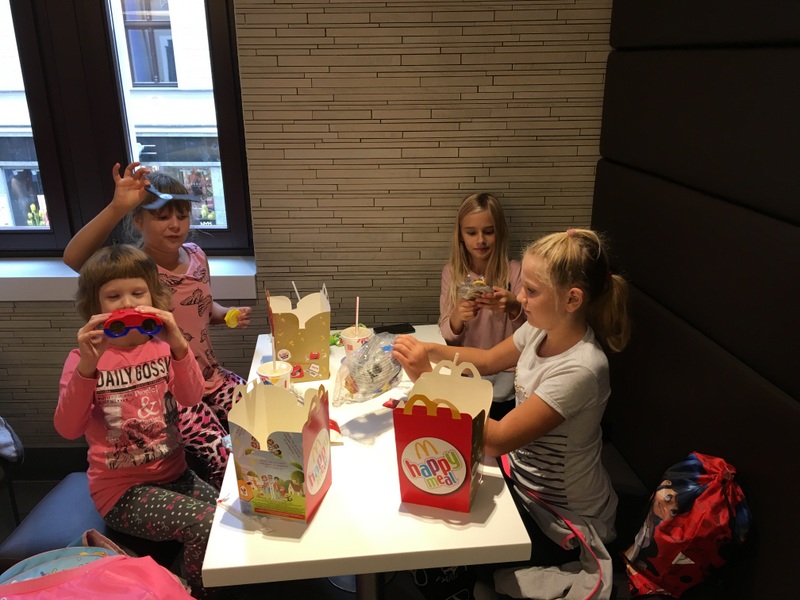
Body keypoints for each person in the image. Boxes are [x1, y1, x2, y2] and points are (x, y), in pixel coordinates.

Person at [394, 228, 631, 571]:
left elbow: (498, 439)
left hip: (561, 516)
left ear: (572, 300)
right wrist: (429, 349)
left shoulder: (582, 369)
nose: (519, 297)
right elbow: (488, 359)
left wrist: (425, 382)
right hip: (521, 482)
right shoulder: (540, 329)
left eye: (531, 291)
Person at [63, 162, 252, 489]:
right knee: (223, 455)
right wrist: (117, 206)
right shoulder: (135, 271)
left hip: (209, 374)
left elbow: (202, 306)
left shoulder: (196, 255)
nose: (175, 225)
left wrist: (225, 314)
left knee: (262, 413)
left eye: (182, 215)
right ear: (138, 220)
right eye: (162, 217)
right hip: (169, 388)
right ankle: (224, 512)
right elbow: (74, 258)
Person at [54, 244, 216, 599]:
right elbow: (67, 429)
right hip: (123, 492)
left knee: (229, 516)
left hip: (175, 474)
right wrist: (87, 368)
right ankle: (190, 593)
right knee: (206, 525)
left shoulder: (163, 347)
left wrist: (179, 345)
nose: (127, 303)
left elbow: (191, 396)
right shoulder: (83, 360)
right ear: (96, 305)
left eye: (137, 293)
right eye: (114, 296)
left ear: (153, 296)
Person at [439, 192, 526, 420]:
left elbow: (531, 334)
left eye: (488, 231)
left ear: (500, 232)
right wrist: (457, 317)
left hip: (509, 379)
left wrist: (514, 307)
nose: (480, 240)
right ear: (460, 235)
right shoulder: (452, 274)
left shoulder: (516, 272)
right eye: (471, 232)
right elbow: (447, 335)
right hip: (467, 374)